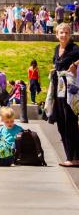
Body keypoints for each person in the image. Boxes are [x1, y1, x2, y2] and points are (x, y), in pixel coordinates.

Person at [47, 22, 79, 167]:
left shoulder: (74, 48)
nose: (64, 35)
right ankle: (72, 156)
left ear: (70, 35)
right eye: (61, 32)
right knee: (60, 122)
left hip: (70, 90)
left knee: (70, 122)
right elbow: (57, 64)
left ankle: (73, 157)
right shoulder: (56, 49)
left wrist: (76, 64)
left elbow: (68, 65)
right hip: (58, 90)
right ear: (56, 34)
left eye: (66, 32)